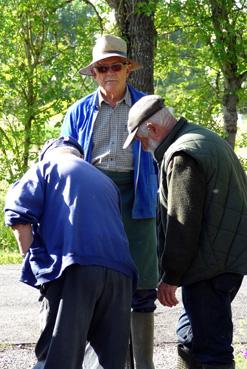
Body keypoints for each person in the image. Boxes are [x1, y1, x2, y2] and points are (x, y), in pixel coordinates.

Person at [123, 94, 247, 369]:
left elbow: (183, 222)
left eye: (141, 141)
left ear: (152, 130)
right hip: (225, 261)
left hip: (210, 267)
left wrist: (170, 276)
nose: (143, 148)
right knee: (190, 337)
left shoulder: (182, 155)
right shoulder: (204, 138)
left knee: (212, 349)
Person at [61, 34, 159, 369]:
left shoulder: (149, 105)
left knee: (143, 288)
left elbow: (168, 152)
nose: (109, 73)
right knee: (96, 284)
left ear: (128, 69)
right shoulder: (78, 112)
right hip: (94, 202)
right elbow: (65, 159)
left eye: (115, 66)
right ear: (94, 74)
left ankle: (143, 365)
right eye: (102, 68)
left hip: (139, 200)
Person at [4, 136, 138, 369]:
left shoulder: (45, 167)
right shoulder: (107, 181)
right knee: (106, 361)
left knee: (58, 356)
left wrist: (34, 265)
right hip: (121, 275)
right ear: (80, 156)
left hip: (75, 268)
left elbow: (19, 218)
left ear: (47, 154)